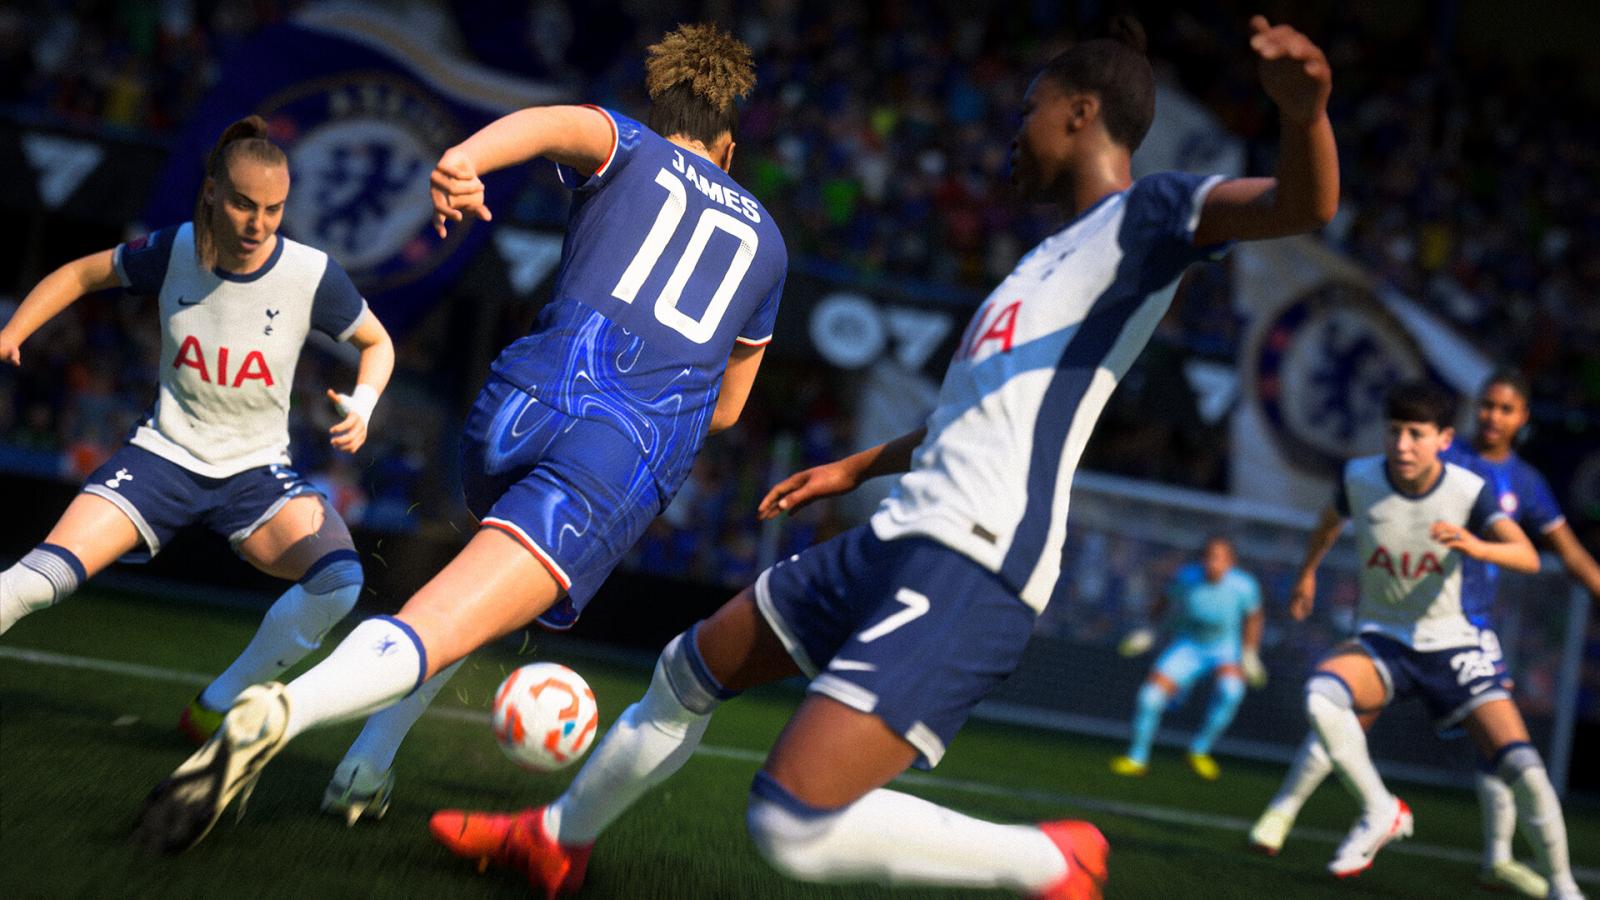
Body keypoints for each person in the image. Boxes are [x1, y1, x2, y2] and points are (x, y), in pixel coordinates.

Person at [425, 15, 1338, 898]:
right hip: (905, 530)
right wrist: (856, 468)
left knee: (791, 825)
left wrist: (1304, 115)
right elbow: (975, 415)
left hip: (976, 556)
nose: (1014, 132)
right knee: (688, 669)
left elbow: (1301, 205)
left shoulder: (1148, 216)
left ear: (1080, 113)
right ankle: (557, 840)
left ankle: (1052, 862)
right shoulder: (1045, 265)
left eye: (1028, 109)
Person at [133, 23, 786, 852]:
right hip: (618, 450)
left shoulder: (627, 141)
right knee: (450, 619)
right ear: (729, 149)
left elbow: (550, 123)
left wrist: (463, 162)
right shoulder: (768, 242)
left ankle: (367, 764)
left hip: (521, 401)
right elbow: (726, 411)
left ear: (661, 116)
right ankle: (283, 713)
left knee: (465, 596)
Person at [0, 117, 393, 736]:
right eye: (243, 204)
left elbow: (378, 342)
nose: (259, 223)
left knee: (341, 583)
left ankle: (221, 701)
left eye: (273, 209)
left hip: (257, 475)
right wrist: (13, 331)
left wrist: (363, 405)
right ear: (212, 191)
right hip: (161, 459)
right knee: (39, 581)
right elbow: (78, 274)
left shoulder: (311, 273)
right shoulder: (173, 250)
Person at [1249, 369, 1600, 896]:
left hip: (1463, 633)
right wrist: (1307, 573)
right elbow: (1328, 521)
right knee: (1331, 704)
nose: (1404, 444)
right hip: (1389, 633)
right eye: (1487, 405)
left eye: (1506, 408)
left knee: (1513, 758)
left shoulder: (1501, 485)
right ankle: (1313, 809)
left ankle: (1527, 870)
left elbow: (1548, 554)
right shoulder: (1376, 472)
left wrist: (1477, 545)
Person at [1110, 535, 1265, 780]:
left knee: (1231, 691)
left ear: (1231, 562)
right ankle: (1137, 759)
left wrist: (1249, 653)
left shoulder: (1244, 586)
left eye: (1220, 558)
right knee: (1149, 698)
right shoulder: (1187, 577)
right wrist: (1148, 631)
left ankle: (1199, 750)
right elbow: (1163, 601)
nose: (1213, 563)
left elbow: (1254, 617)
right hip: (1189, 646)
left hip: (1225, 649)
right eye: (1209, 557)